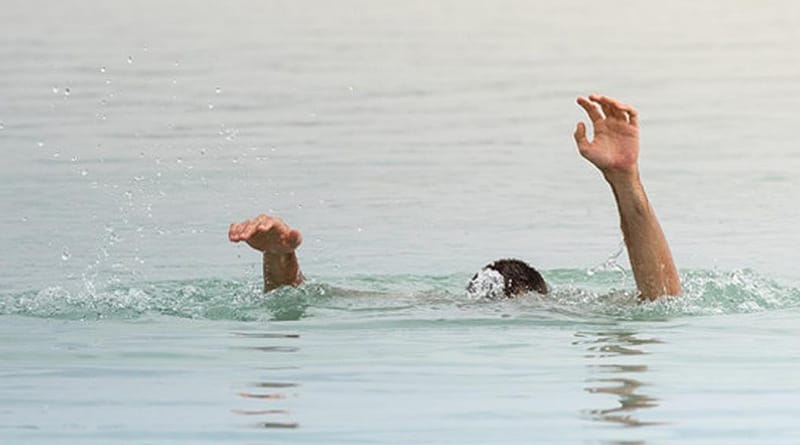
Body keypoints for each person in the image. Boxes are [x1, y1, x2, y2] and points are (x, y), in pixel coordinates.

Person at [228, 94, 681, 301]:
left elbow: (300, 299)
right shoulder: (566, 312)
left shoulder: (427, 303)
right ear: (540, 298)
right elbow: (662, 300)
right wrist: (626, 181)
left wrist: (279, 261)